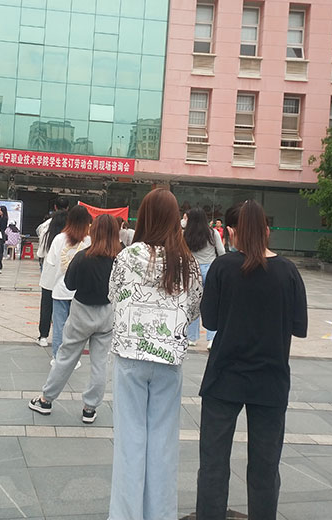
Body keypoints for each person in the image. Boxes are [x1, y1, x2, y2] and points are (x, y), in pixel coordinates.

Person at [195, 200, 307, 520]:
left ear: (233, 233)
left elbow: (210, 320)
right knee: (265, 467)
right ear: (267, 232)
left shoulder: (223, 267)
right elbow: (299, 327)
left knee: (214, 463)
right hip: (270, 380)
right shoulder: (288, 271)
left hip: (224, 377)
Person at [108, 188, 203, 520]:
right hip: (169, 358)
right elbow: (194, 309)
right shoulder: (186, 261)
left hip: (130, 354)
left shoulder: (127, 256)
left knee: (129, 440)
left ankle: (125, 514)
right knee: (163, 442)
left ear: (144, 216)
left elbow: (113, 295)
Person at [28, 214, 121, 424]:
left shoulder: (83, 257)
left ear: (94, 231)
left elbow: (69, 284)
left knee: (66, 357)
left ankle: (46, 400)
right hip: (107, 313)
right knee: (100, 363)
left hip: (81, 312)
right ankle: (90, 408)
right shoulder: (120, 259)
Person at [43, 205, 92, 364]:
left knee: (59, 326)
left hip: (60, 289)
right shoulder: (89, 240)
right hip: (81, 292)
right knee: (77, 329)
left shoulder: (59, 239)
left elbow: (50, 262)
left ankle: (58, 357)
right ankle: (74, 359)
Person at [184, 207, 225, 349]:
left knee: (193, 304)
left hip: (192, 271)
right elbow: (221, 252)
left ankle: (191, 338)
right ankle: (212, 339)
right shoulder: (213, 233)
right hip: (210, 270)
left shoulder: (186, 234)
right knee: (212, 304)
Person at [37, 210, 67, 347]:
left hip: (48, 277)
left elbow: (40, 253)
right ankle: (62, 338)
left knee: (46, 307)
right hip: (64, 278)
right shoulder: (69, 238)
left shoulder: (47, 235)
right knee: (63, 311)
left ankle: (43, 336)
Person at [37, 197, 70, 271]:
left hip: (48, 264)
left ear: (55, 207)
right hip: (66, 264)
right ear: (68, 208)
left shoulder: (46, 225)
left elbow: (41, 251)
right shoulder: (72, 225)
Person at [0, 205, 8, 273]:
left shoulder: (4, 218)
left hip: (1, 234)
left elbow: (3, 227)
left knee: (0, 249)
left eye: (0, 210)